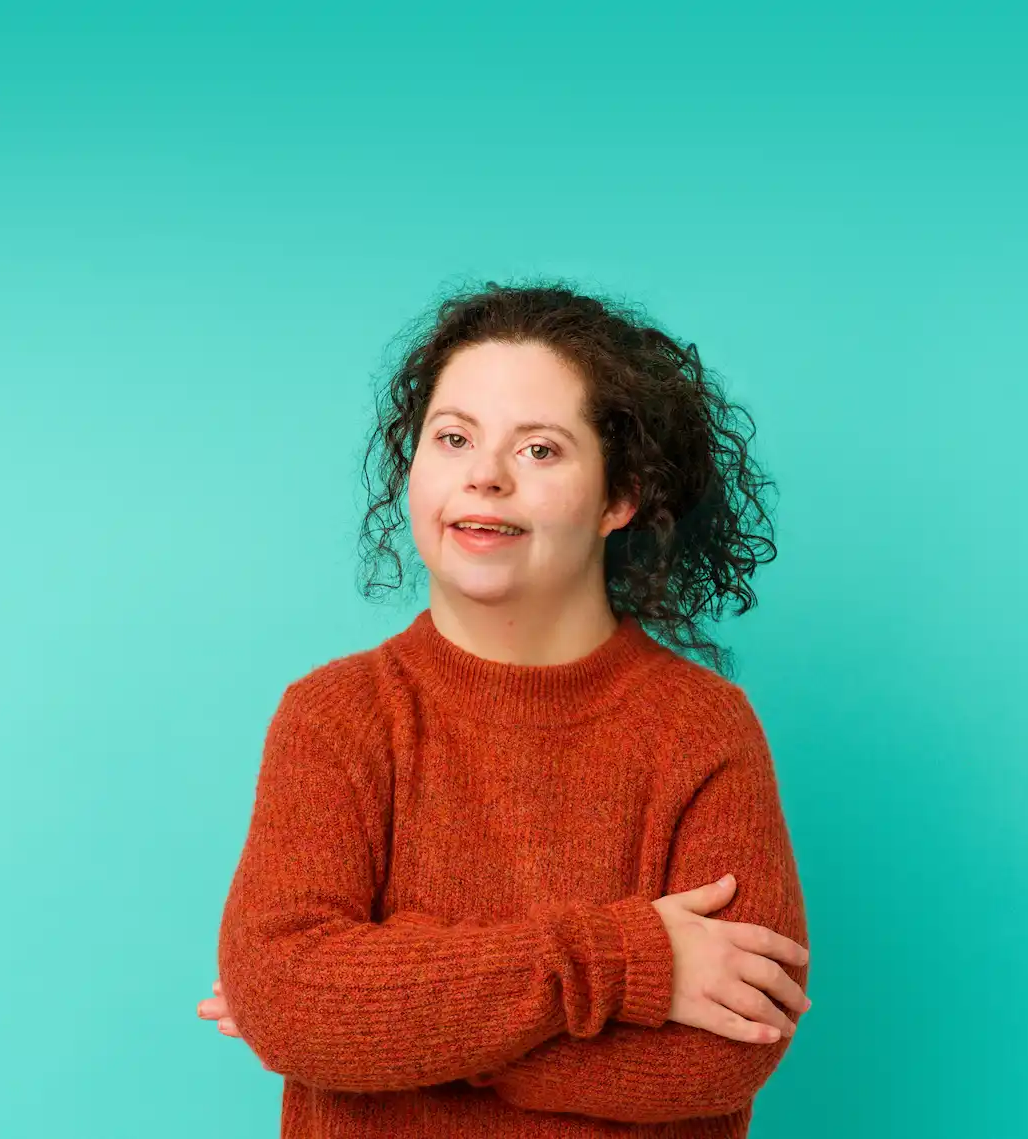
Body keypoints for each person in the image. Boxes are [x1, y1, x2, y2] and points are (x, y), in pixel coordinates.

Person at [196, 280, 812, 1136]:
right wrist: (622, 962)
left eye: (540, 450)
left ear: (619, 496)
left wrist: (387, 1009)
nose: (483, 475)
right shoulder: (335, 716)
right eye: (453, 438)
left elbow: (724, 1052)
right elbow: (288, 999)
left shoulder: (703, 728)